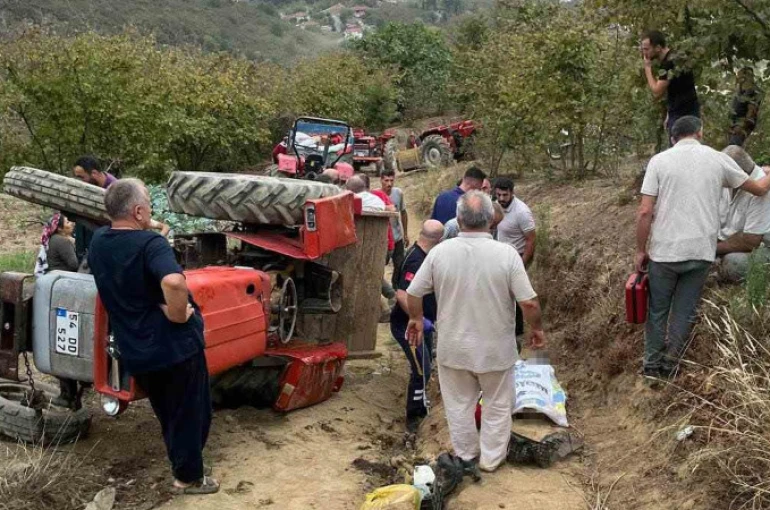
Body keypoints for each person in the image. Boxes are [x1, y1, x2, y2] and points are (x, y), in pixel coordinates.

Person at [88, 179, 218, 495]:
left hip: (136, 348)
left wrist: (151, 233)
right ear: (138, 210)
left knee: (168, 412)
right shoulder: (151, 246)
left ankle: (183, 466)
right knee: (191, 413)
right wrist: (176, 313)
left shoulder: (99, 242)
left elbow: (132, 270)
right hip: (174, 347)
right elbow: (174, 282)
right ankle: (188, 479)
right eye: (148, 203)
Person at [406, 191, 545, 474]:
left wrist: (416, 318)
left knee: (458, 405)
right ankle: (492, 459)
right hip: (496, 349)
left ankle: (467, 454)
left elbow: (414, 291)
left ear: (458, 219)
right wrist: (537, 328)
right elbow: (528, 302)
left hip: (453, 348)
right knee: (496, 404)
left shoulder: (440, 253)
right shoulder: (506, 254)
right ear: (491, 220)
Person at [636, 116, 770, 380]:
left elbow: (644, 211)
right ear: (699, 133)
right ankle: (671, 365)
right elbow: (757, 188)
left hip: (665, 252)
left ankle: (651, 366)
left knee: (659, 309)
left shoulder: (659, 161)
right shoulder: (718, 160)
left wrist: (640, 250)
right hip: (701, 254)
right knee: (685, 310)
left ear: (673, 137)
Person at [390, 220, 444, 432]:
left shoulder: (420, 254)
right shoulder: (416, 261)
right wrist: (418, 318)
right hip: (408, 327)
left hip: (421, 324)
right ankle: (414, 418)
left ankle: (422, 405)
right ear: (439, 240)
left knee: (426, 365)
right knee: (421, 369)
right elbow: (402, 293)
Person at [716, 145, 770, 282]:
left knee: (733, 264)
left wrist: (710, 249)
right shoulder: (726, 182)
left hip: (760, 245)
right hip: (729, 241)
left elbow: (750, 242)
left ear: (737, 174)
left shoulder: (762, 188)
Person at [640, 30, 700, 142]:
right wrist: (669, 112)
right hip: (689, 110)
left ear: (658, 48)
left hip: (681, 114)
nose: (644, 53)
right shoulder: (676, 57)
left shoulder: (668, 63)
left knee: (678, 151)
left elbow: (657, 92)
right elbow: (679, 87)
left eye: (646, 49)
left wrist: (647, 68)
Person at [72, 155, 119, 263]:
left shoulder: (115, 190)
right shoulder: (92, 186)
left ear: (94, 173)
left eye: (82, 177)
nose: (80, 181)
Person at [380, 168, 410, 287]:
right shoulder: (376, 195)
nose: (389, 184)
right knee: (380, 265)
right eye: (386, 180)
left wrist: (406, 234)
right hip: (383, 239)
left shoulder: (398, 193)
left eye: (391, 180)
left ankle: (395, 286)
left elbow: (403, 213)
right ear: (381, 180)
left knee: (399, 264)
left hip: (397, 237)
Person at [728, 67, 763, 147]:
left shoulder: (753, 91)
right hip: (734, 126)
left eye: (740, 76)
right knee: (732, 148)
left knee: (734, 148)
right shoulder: (740, 91)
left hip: (741, 126)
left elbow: (751, 113)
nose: (738, 78)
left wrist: (740, 126)